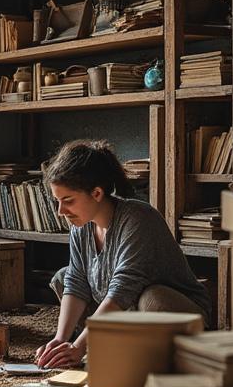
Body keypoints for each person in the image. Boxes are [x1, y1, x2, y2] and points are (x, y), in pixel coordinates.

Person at [34, 140, 210, 370]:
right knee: (63, 276)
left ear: (97, 193)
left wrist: (80, 347)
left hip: (170, 312)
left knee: (152, 297)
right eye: (57, 201)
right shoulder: (81, 225)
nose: (60, 211)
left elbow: (122, 290)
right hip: (126, 315)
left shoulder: (138, 219)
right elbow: (76, 281)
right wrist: (60, 340)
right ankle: (110, 341)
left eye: (68, 201)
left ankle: (145, 352)